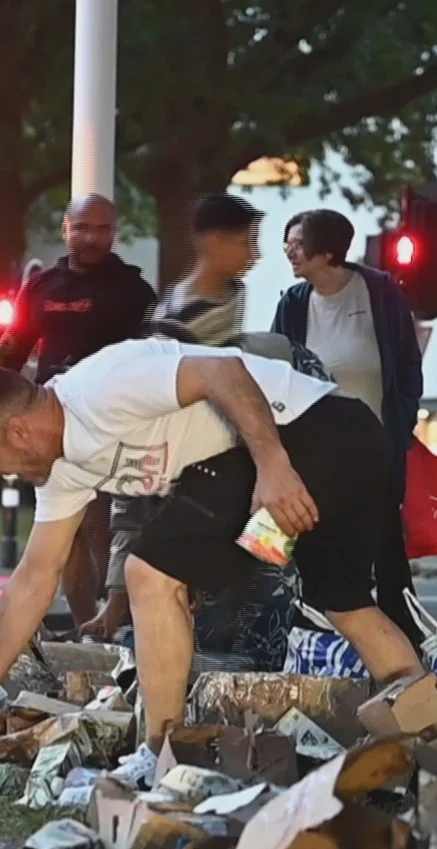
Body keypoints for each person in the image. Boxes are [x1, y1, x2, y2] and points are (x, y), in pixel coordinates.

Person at [0, 339, 424, 751]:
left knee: (150, 572)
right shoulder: (61, 471)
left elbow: (223, 370)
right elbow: (35, 576)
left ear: (19, 430)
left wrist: (274, 467)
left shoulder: (99, 387)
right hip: (332, 453)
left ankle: (162, 752)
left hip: (315, 434)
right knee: (343, 604)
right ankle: (432, 733)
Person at [84, 192, 264, 642]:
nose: (255, 255)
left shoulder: (230, 295)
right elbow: (132, 504)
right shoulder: (178, 319)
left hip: (227, 462)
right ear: (215, 242)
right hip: (189, 470)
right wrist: (115, 602)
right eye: (247, 242)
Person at [0, 194, 157, 628]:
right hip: (49, 427)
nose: (92, 238)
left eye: (102, 229)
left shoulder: (134, 292)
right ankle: (87, 628)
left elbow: (154, 360)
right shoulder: (41, 287)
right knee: (68, 529)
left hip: (111, 424)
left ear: (114, 233)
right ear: (66, 229)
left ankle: (115, 622)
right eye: (82, 228)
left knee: (101, 524)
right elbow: (13, 346)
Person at [270, 208, 426, 646]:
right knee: (312, 561)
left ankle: (407, 661)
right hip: (314, 460)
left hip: (373, 455)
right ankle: (314, 651)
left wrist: (402, 423)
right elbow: (272, 371)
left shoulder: (379, 293)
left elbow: (407, 367)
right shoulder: (294, 304)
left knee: (383, 559)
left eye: (298, 244)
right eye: (288, 244)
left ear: (328, 248)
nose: (290, 253)